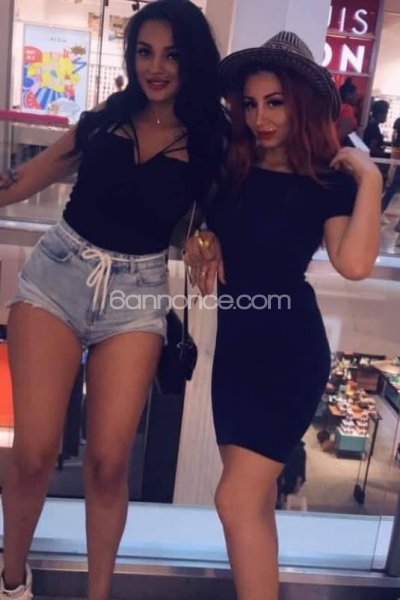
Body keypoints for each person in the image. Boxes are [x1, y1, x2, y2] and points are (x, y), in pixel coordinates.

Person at [0, 1, 227, 599]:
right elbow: (34, 174)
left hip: (138, 293)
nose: (156, 67)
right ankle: (12, 582)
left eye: (172, 55)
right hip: (58, 275)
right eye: (145, 52)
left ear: (192, 61)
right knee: (35, 453)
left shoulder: (211, 140)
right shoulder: (104, 119)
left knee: (107, 463)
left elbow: (219, 215)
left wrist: (207, 238)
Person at [185, 31, 382, 600]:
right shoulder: (233, 164)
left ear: (302, 103)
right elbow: (208, 227)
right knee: (253, 503)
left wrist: (370, 179)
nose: (260, 117)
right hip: (236, 352)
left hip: (288, 354)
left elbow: (354, 263)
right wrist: (202, 239)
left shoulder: (327, 180)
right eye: (250, 104)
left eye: (274, 103)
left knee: (233, 500)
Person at [336, 77, 359, 144]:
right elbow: (342, 134)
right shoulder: (347, 109)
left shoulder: (338, 107)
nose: (357, 97)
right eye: (356, 94)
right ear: (349, 95)